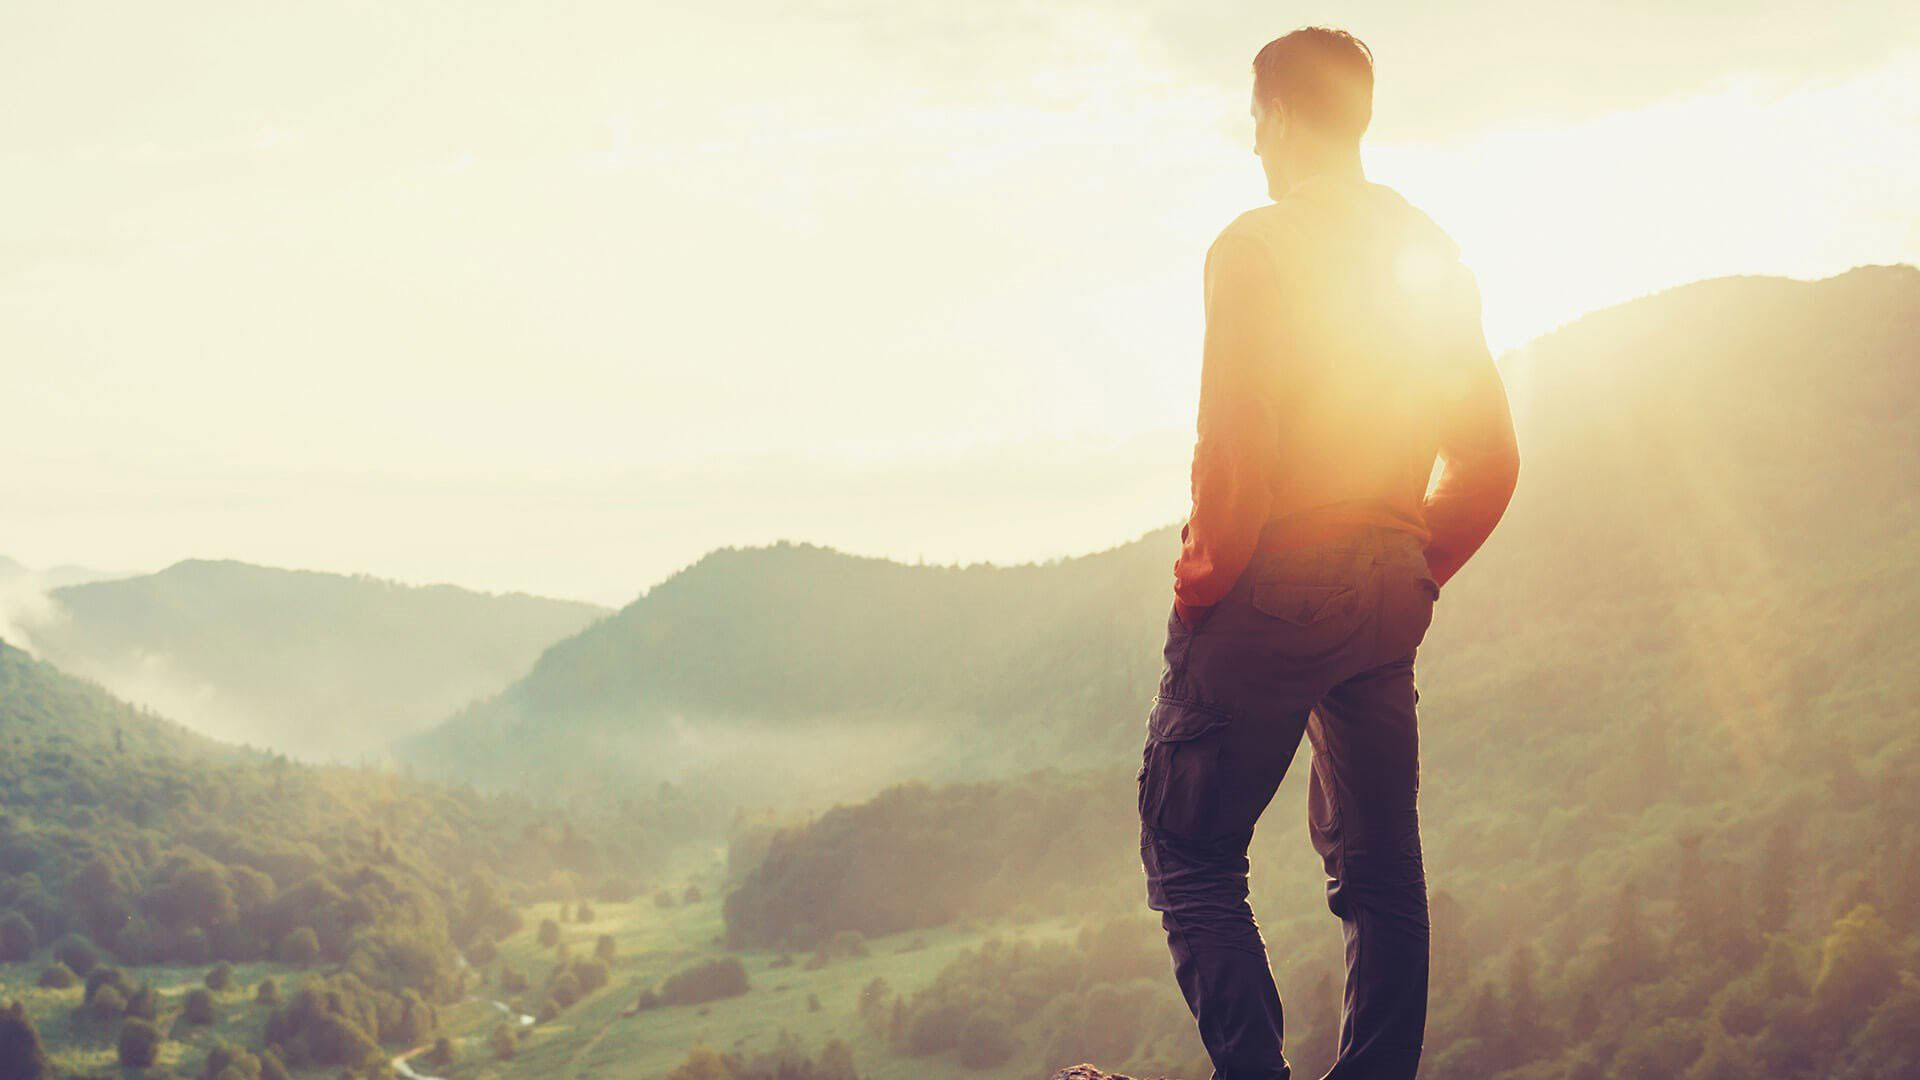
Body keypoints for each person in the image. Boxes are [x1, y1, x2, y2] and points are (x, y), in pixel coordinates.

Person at [1136, 26, 1521, 1080]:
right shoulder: (1427, 254)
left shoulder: (1256, 246)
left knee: (1191, 849)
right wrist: (1410, 565)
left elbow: (1236, 447)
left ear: (1279, 116)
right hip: (1392, 582)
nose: (1253, 142)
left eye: (1255, 118)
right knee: (1382, 873)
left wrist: (1206, 576)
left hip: (1277, 583)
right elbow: (1491, 458)